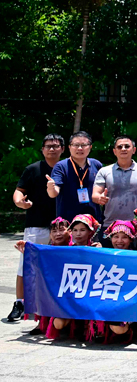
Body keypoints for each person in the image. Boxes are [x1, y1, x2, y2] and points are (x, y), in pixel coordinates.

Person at [7, 133, 63, 323]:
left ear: (63, 149)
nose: (52, 149)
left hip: (63, 226)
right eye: (48, 146)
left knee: (60, 265)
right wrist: (19, 202)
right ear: (42, 149)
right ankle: (20, 303)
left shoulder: (67, 168)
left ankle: (55, 305)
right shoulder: (33, 169)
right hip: (36, 224)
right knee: (27, 264)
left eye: (56, 146)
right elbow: (19, 191)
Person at [14, 216, 70, 336]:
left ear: (69, 231)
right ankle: (42, 322)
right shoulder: (46, 250)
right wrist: (28, 252)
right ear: (50, 235)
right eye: (54, 231)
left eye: (62, 230)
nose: (58, 234)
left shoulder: (75, 248)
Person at [48, 214, 101, 339]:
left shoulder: (97, 248)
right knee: (58, 323)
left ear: (90, 232)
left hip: (92, 293)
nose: (78, 234)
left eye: (82, 230)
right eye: (75, 230)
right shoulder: (66, 250)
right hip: (72, 293)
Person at [92, 135, 137, 230]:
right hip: (109, 224)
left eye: (127, 146)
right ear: (114, 151)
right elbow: (95, 195)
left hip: (135, 225)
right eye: (119, 147)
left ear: (134, 150)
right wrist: (99, 198)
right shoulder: (104, 171)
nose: (123, 149)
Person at [48, 131, 103, 223]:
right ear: (69, 147)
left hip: (93, 221)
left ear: (90, 147)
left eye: (83, 145)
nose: (80, 148)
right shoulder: (61, 166)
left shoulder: (96, 165)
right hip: (68, 222)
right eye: (76, 145)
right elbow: (54, 193)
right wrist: (51, 188)